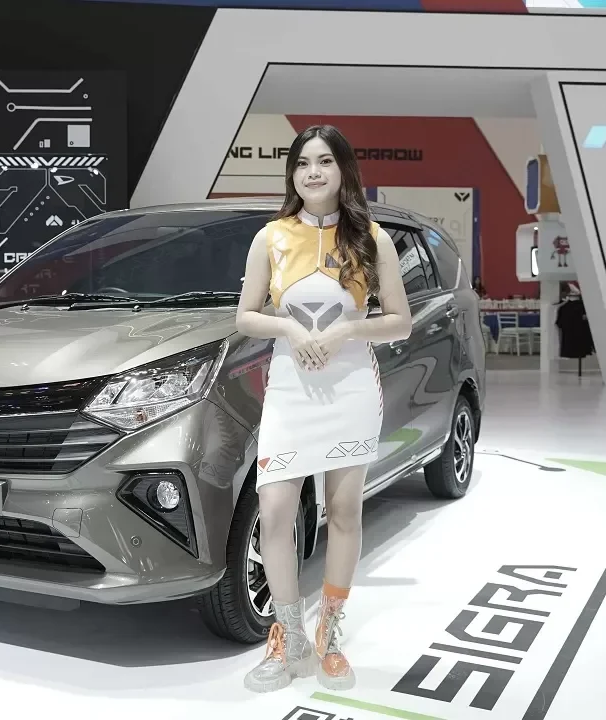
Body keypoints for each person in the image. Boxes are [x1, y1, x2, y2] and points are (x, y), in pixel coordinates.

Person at [234, 125, 412, 693]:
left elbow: (400, 321)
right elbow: (245, 315)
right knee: (276, 510)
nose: (313, 172)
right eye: (303, 163)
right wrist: (288, 327)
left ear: (343, 171)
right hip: (290, 391)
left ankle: (329, 637)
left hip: (351, 388)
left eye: (325, 162)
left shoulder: (371, 239)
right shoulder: (271, 237)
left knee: (343, 511)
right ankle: (287, 638)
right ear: (293, 174)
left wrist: (344, 333)